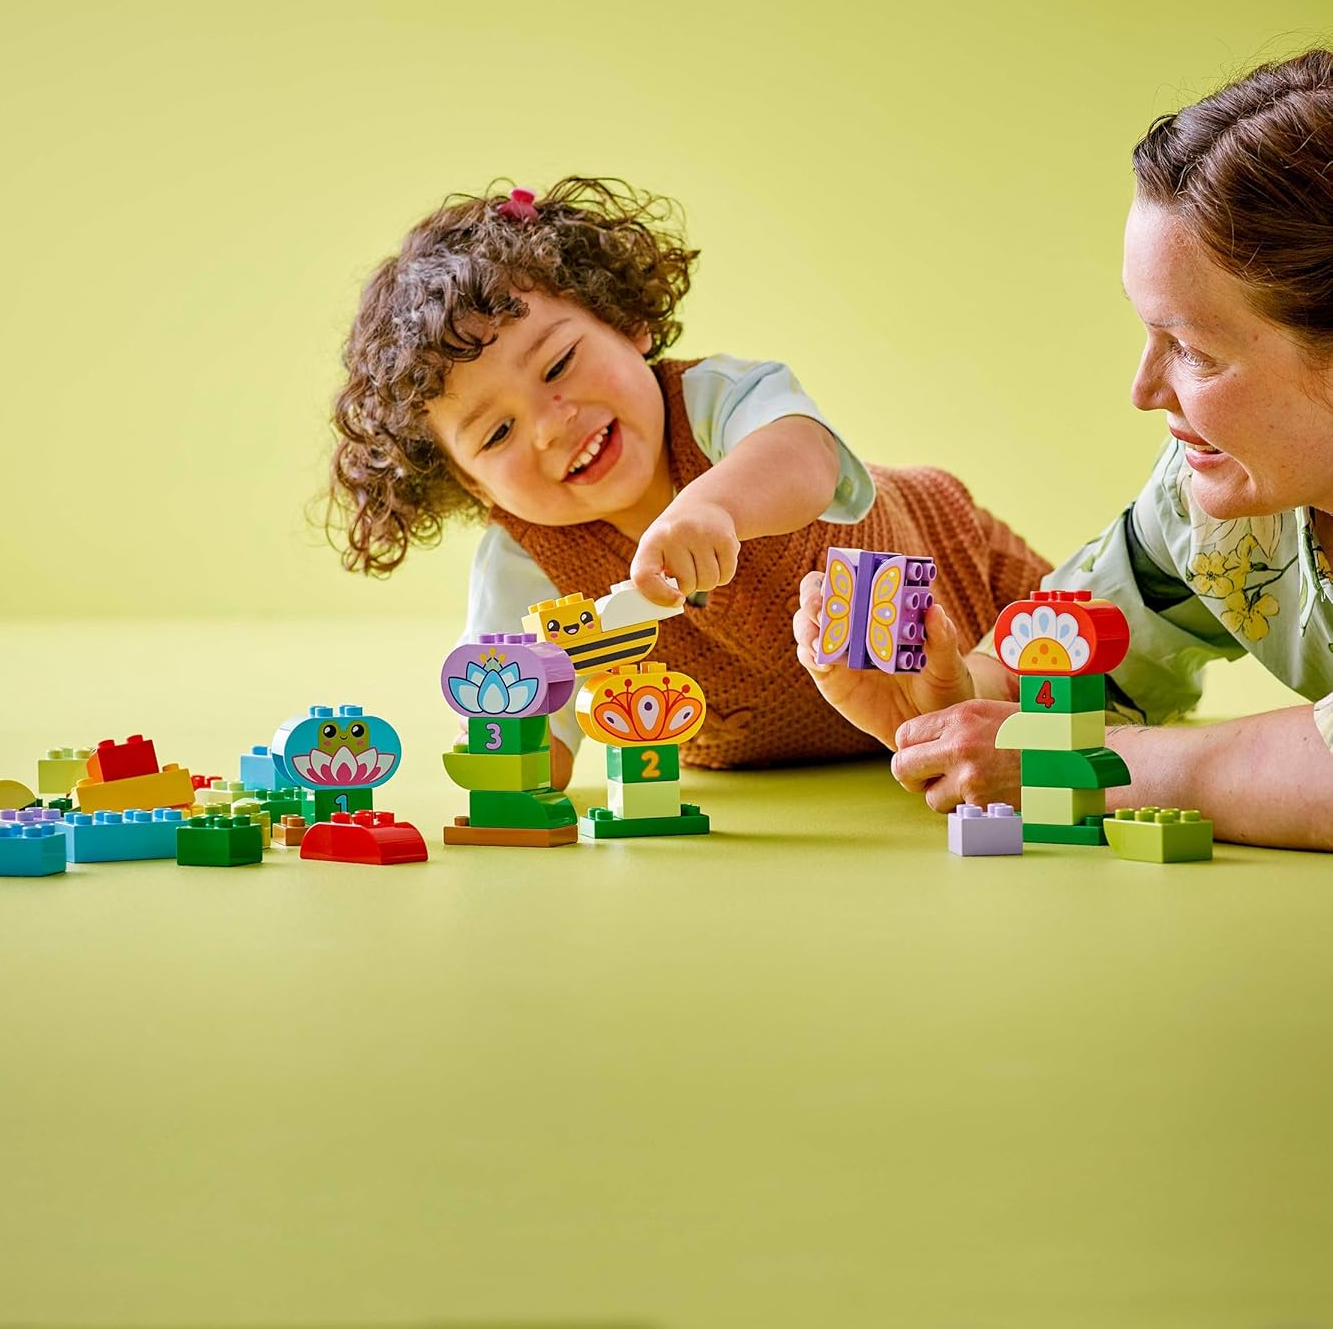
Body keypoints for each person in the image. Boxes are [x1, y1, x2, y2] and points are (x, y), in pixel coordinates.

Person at [327, 177, 1048, 788]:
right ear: (472, 487)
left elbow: (806, 456)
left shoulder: (715, 401)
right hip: (780, 743)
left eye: (558, 365)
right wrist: (514, 755)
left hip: (963, 579)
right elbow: (520, 711)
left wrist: (714, 508)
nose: (549, 425)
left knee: (1069, 660)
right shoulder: (524, 561)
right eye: (497, 434)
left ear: (627, 323)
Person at [795, 50, 1333, 850]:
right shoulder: (1213, 504)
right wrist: (952, 700)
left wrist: (1090, 767)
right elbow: (1079, 658)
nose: (1144, 390)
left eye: (1193, 350)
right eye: (1148, 332)